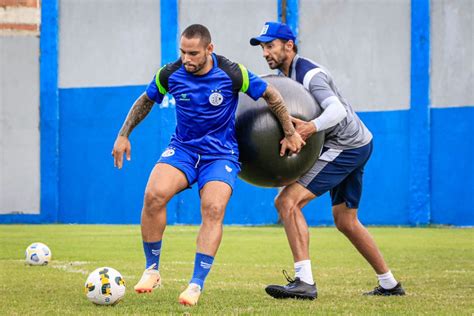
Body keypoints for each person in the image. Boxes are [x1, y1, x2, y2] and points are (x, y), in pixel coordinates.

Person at [112, 24, 305, 306]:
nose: (187, 59)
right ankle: (152, 270)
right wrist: (123, 134)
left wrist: (289, 131)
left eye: (193, 53)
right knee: (154, 195)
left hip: (220, 154)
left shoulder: (232, 72)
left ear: (209, 49)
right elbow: (145, 101)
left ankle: (195, 284)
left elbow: (272, 95)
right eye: (183, 52)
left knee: (213, 209)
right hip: (183, 150)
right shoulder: (170, 73)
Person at [250, 22, 405, 299]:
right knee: (346, 221)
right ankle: (390, 284)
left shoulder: (310, 75)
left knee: (287, 201)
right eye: (262, 47)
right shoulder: (284, 78)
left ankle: (304, 283)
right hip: (357, 142)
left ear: (289, 45)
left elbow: (336, 112)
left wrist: (310, 127)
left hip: (345, 145)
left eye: (270, 45)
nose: (265, 52)